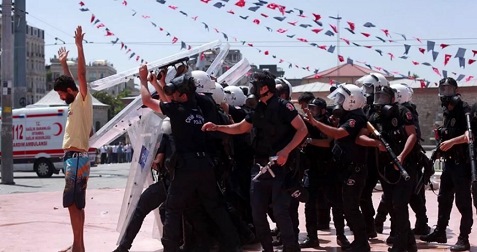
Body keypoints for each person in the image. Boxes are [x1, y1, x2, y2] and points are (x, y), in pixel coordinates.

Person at [139, 65, 242, 252]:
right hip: (205, 166)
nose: (172, 96)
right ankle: (234, 244)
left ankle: (170, 247)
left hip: (187, 167)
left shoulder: (177, 111)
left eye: (176, 93)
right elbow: (168, 102)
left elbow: (147, 100)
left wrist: (143, 79)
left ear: (183, 95)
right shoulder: (199, 108)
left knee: (172, 207)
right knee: (216, 207)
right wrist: (159, 83)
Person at [202, 71, 308, 252]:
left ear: (264, 87)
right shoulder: (258, 108)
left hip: (281, 168)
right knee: (258, 214)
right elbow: (242, 127)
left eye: (255, 84)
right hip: (259, 168)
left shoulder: (284, 107)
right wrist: (218, 127)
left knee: (281, 212)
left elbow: (302, 130)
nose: (252, 88)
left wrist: (285, 151)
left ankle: (291, 248)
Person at [304, 83, 370, 252]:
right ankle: (359, 242)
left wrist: (316, 123)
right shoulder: (348, 116)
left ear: (352, 101)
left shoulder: (355, 117)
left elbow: (339, 134)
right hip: (343, 168)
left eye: (342, 98)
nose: (339, 101)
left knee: (350, 207)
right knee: (347, 207)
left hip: (353, 169)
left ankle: (361, 242)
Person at [357, 86, 419, 252]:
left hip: (405, 165)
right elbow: (360, 137)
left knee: (399, 204)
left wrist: (401, 156)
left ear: (392, 99)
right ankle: (410, 243)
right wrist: (376, 143)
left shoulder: (402, 111)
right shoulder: (373, 115)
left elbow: (412, 135)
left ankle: (400, 245)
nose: (380, 100)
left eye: (384, 97)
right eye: (378, 96)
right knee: (392, 205)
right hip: (385, 167)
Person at [420, 77, 473, 251]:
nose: (446, 92)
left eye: (449, 89)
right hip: (449, 163)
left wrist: (451, 142)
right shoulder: (446, 111)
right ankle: (440, 232)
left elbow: (469, 135)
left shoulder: (464, 109)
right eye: (443, 89)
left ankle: (464, 238)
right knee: (443, 199)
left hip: (462, 164)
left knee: (463, 202)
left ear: (457, 90)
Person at [55, 26, 93, 252]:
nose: (61, 97)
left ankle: (78, 247)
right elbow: (70, 80)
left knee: (72, 203)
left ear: (70, 91)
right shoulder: (74, 103)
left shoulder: (83, 99)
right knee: (76, 204)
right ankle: (78, 245)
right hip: (76, 158)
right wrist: (62, 65)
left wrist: (79, 46)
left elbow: (80, 76)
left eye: (61, 93)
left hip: (77, 158)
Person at [113, 119, 172, 252]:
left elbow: (157, 162)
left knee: (141, 208)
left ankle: (124, 246)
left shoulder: (165, 139)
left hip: (169, 184)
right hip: (180, 183)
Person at [300, 97, 350, 250]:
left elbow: (327, 142)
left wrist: (308, 140)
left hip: (328, 169)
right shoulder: (307, 123)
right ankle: (312, 237)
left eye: (315, 108)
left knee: (336, 204)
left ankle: (341, 236)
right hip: (312, 169)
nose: (312, 111)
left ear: (322, 110)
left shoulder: (327, 123)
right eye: (310, 108)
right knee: (310, 204)